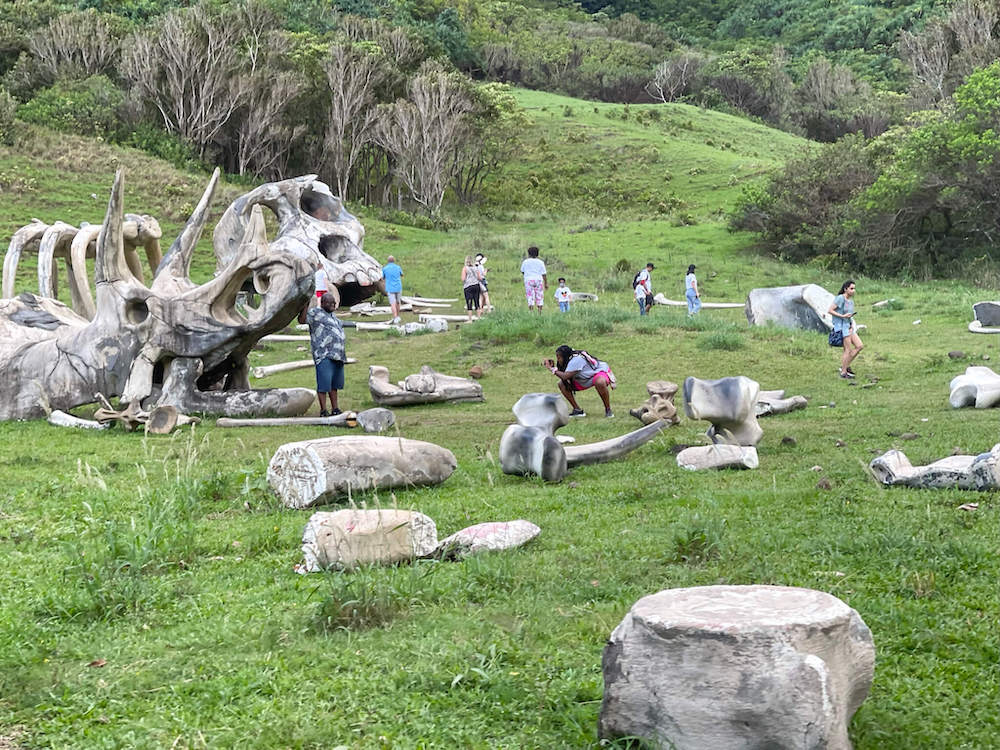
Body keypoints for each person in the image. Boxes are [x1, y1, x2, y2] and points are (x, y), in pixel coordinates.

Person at [298, 291, 346, 416]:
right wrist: (305, 305)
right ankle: (323, 410)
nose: (332, 305)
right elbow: (302, 320)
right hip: (323, 354)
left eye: (334, 303)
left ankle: (335, 408)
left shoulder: (334, 317)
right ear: (323, 303)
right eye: (330, 303)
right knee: (324, 384)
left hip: (338, 355)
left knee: (334, 385)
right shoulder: (315, 313)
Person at [544, 344, 615, 418]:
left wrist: (551, 369)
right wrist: (553, 367)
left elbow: (565, 376)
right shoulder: (568, 359)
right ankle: (577, 410)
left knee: (599, 382)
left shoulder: (576, 360)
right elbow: (564, 374)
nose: (558, 360)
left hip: (598, 373)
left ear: (565, 356)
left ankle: (608, 410)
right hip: (584, 378)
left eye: (559, 357)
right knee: (561, 384)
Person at [828, 279, 864, 379]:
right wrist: (842, 316)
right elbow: (830, 310)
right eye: (851, 289)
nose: (853, 291)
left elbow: (850, 315)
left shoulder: (851, 301)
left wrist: (852, 324)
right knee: (847, 349)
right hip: (841, 327)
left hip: (849, 326)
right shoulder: (840, 298)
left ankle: (845, 366)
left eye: (854, 289)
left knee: (859, 346)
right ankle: (843, 372)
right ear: (845, 289)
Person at [520, 246, 547, 312]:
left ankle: (531, 311)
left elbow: (522, 271)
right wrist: (546, 283)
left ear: (529, 253)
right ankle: (539, 311)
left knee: (530, 295)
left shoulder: (525, 262)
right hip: (538, 279)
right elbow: (544, 274)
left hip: (528, 280)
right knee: (539, 295)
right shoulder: (540, 262)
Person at [461, 255, 484, 322]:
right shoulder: (476, 268)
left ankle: (470, 319)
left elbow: (463, 278)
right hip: (476, 285)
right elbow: (480, 277)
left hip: (468, 286)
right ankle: (479, 318)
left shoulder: (465, 268)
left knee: (469, 302)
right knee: (477, 302)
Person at [382, 255, 404, 324]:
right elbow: (402, 274)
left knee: (393, 303)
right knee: (398, 302)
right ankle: (397, 316)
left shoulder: (385, 268)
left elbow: (383, 277)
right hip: (398, 287)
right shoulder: (398, 267)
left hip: (390, 288)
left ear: (388, 261)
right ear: (394, 260)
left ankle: (395, 317)